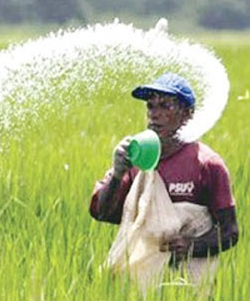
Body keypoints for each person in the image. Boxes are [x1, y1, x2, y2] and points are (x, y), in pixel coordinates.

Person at [90, 73, 238, 265]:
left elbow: (229, 231)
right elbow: (104, 214)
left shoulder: (207, 164)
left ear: (187, 114)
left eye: (165, 106)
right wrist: (117, 174)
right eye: (151, 106)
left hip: (190, 282)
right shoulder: (135, 159)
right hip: (140, 279)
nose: (154, 113)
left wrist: (192, 246)